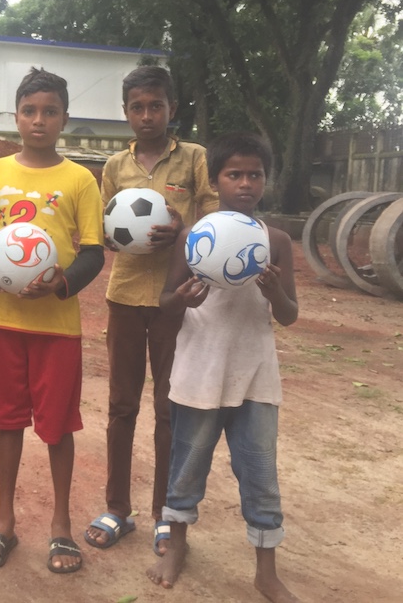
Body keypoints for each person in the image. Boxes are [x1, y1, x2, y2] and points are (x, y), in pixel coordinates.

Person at [147, 133, 299, 603]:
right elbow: (166, 301)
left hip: (254, 375)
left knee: (260, 473)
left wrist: (275, 293)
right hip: (199, 372)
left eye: (255, 174)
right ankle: (177, 545)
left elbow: (290, 314)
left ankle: (266, 572)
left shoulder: (275, 241)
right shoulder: (194, 237)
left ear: (266, 181)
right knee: (186, 466)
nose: (246, 183)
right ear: (215, 181)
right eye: (235, 174)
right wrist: (183, 299)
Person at [0, 67, 105, 574]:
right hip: (2, 322)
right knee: (8, 422)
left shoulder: (80, 179)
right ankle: (4, 519)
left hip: (57, 327)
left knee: (57, 427)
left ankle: (60, 524)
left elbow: (93, 253)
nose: (39, 120)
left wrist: (61, 283)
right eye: (29, 111)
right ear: (16, 117)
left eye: (49, 111)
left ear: (64, 118)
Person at [85, 66, 218, 556]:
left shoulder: (195, 157)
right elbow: (103, 225)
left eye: (155, 106)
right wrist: (117, 235)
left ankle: (166, 513)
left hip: (175, 298)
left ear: (171, 109)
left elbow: (216, 217)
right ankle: (117, 508)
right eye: (137, 107)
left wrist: (183, 229)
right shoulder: (114, 167)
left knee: (169, 408)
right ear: (125, 113)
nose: (147, 115)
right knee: (121, 406)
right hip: (124, 296)